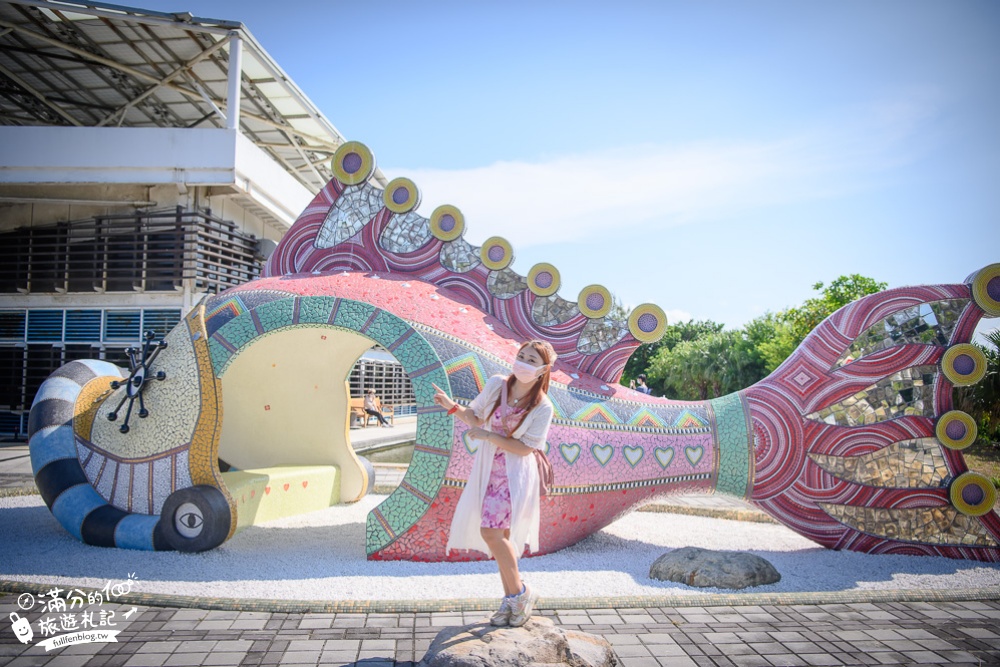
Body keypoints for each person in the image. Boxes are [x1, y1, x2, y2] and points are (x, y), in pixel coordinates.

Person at [432, 339, 556, 627]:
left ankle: (520, 594)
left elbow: (526, 448)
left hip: (514, 475)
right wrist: (452, 407)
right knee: (500, 538)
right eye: (521, 355)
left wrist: (489, 436)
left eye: (532, 360)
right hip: (488, 469)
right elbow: (475, 417)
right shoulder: (498, 384)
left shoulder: (543, 406)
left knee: (491, 533)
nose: (523, 362)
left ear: (544, 369)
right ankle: (511, 600)